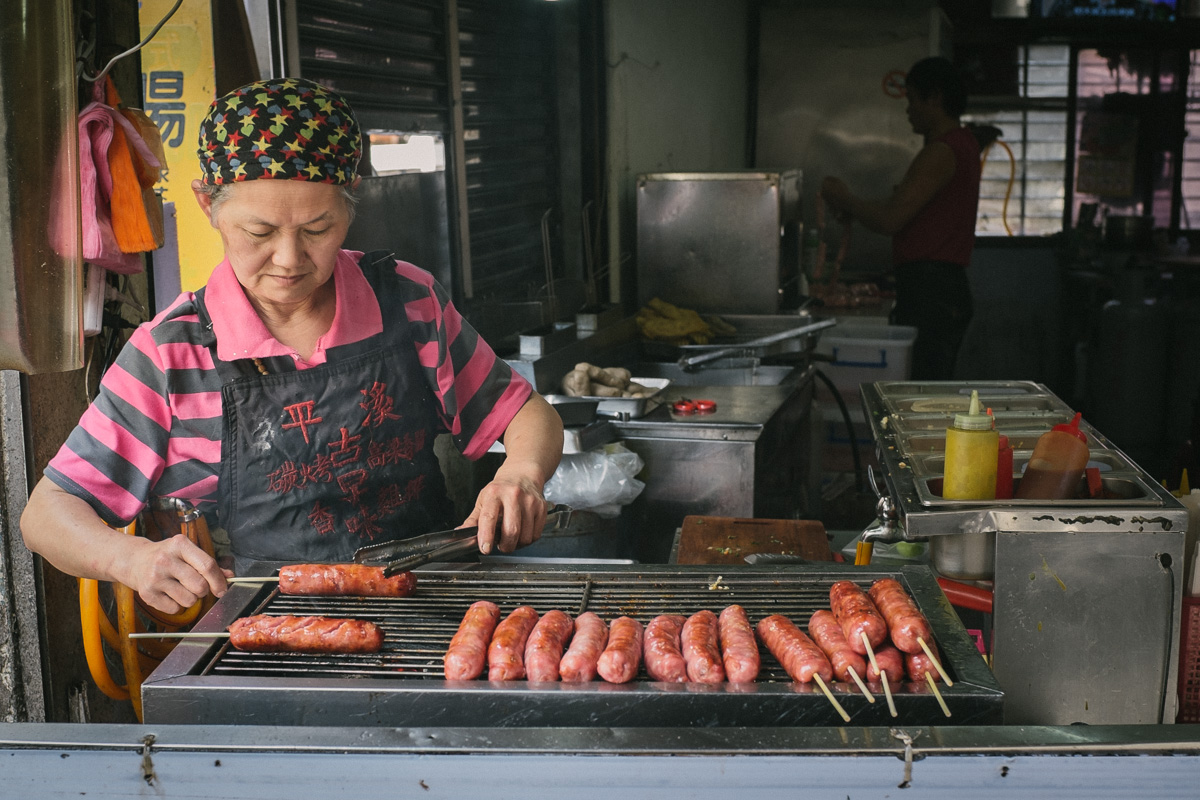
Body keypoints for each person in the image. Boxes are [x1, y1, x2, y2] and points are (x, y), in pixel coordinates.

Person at [21, 78, 564, 613]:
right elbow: (46, 514)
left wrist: (520, 473)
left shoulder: (409, 300)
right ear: (208, 204)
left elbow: (526, 413)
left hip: (440, 610)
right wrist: (129, 559)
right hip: (279, 634)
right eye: (259, 233)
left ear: (351, 203)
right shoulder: (172, 355)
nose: (288, 259)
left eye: (318, 228)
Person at [820, 56, 981, 380]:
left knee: (923, 392)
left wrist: (846, 200)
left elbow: (891, 219)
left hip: (931, 291)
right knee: (927, 387)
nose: (908, 110)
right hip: (938, 288)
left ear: (934, 97)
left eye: (912, 99)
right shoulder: (961, 145)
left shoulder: (942, 150)